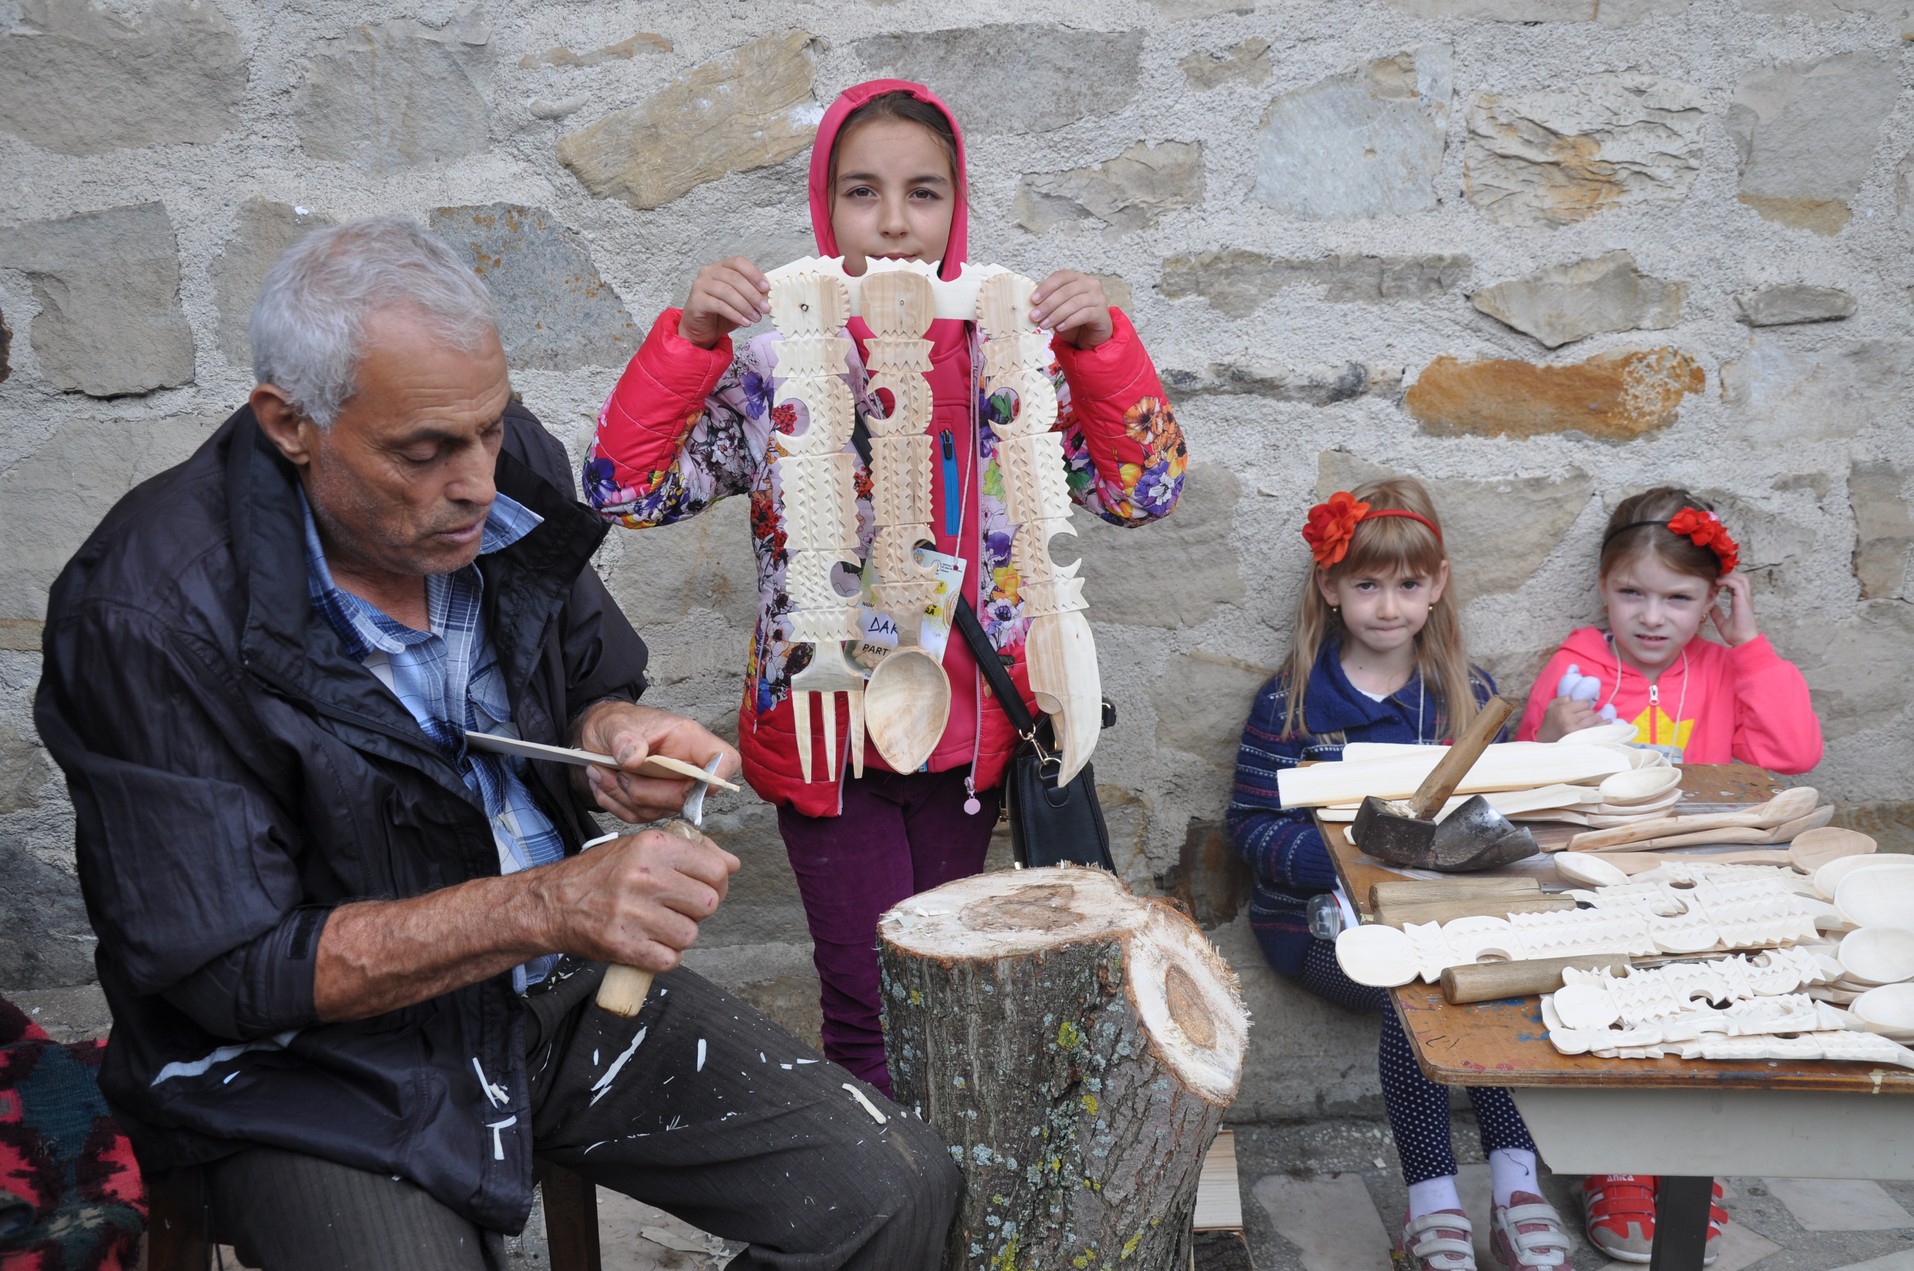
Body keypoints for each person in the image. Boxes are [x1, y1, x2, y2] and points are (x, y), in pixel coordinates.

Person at [34, 218, 958, 1271]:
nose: (477, 478)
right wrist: (549, 904)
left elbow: (584, 671)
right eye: (424, 450)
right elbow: (232, 969)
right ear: (291, 423)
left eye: (488, 424)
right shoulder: (148, 614)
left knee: (895, 1193)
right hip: (304, 1072)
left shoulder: (506, 462)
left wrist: (609, 732)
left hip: (549, 990)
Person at [581, 79, 1186, 1094]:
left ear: (958, 208)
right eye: (863, 192)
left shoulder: (1012, 360)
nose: (896, 222)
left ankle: (935, 1169)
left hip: (968, 739)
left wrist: (1100, 353)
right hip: (830, 739)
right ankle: (882, 1183)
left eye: (924, 193)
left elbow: (1145, 489)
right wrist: (691, 342)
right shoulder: (772, 366)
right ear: (826, 209)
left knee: (942, 990)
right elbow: (623, 488)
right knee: (869, 1004)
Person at [1227, 479, 1571, 1271]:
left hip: (1444, 916)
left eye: (1409, 584)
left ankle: (1517, 1187)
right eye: (1367, 585)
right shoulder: (1291, 702)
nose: (1388, 606)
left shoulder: (1465, 698)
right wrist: (1348, 861)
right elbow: (1249, 825)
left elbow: (1500, 821)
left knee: (1491, 979)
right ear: (1330, 586)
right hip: (1318, 926)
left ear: (1437, 584)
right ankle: (1433, 1204)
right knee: (1413, 991)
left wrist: (1487, 830)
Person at [1515, 486, 1822, 1264]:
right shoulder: (1578, 668)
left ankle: (1686, 1162)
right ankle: (1615, 1160)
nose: (1652, 617)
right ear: (1603, 588)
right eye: (1633, 594)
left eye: (1679, 598)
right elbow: (1527, 790)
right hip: (1600, 888)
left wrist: (1748, 643)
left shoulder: (1724, 670)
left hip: (1703, 887)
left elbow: (1791, 753)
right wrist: (1549, 736)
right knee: (1612, 1008)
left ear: (1714, 599)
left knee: (1698, 1011)